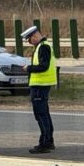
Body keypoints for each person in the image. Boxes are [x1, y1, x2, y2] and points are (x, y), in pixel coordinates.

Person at [21, 25, 56, 153]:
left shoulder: (43, 47)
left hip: (40, 86)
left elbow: (43, 66)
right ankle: (49, 141)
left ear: (35, 36)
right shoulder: (42, 46)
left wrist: (28, 68)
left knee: (41, 115)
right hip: (42, 85)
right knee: (44, 114)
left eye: (29, 40)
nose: (29, 42)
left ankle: (45, 143)